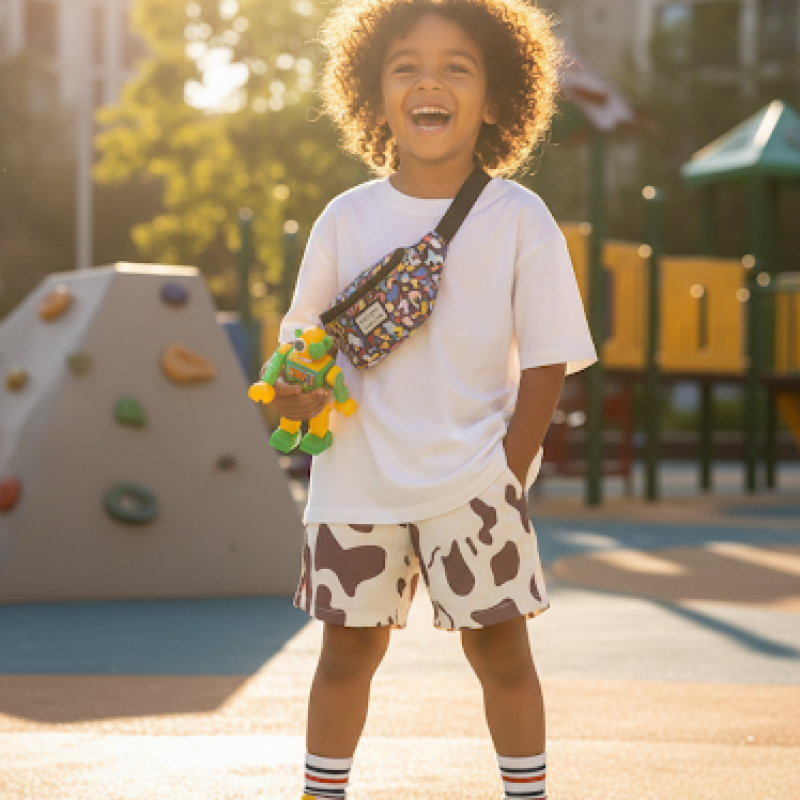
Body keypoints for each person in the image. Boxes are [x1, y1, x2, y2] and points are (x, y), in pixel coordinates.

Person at [273, 1, 597, 797]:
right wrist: (295, 389)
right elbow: (299, 351)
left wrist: (506, 472)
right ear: (374, 95)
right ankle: (323, 792)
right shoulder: (345, 218)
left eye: (458, 66)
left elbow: (549, 360)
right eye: (406, 66)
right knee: (346, 654)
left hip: (474, 482)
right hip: (356, 482)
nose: (430, 82)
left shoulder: (520, 217)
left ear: (495, 100)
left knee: (503, 655)